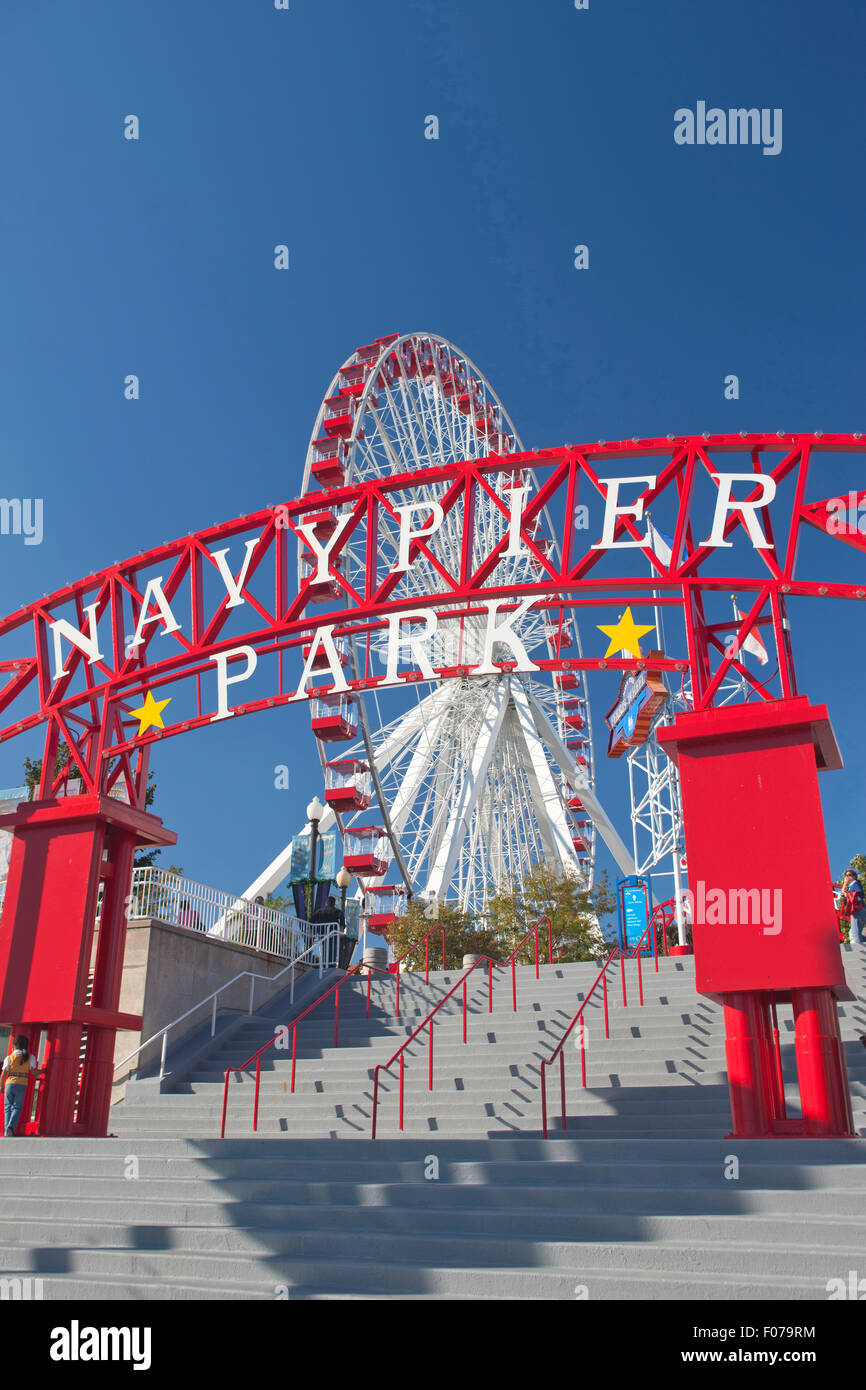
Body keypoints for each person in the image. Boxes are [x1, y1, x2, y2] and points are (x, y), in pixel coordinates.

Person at [1, 1036, 35, 1137]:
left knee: (7, 1108)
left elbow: (3, 1074)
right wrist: (43, 1071)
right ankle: (11, 1126)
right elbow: (33, 1072)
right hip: (22, 1083)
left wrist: (1, 1086)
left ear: (14, 1046)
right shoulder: (30, 1057)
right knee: (17, 1107)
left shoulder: (9, 1058)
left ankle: (7, 1131)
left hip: (9, 1083)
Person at [841, 869, 865, 944]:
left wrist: (847, 892)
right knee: (854, 932)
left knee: (854, 933)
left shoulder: (855, 884)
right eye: (846, 875)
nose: (847, 877)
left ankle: (858, 951)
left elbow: (857, 895)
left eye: (849, 875)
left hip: (857, 909)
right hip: (861, 909)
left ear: (854, 877)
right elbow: (843, 893)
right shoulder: (852, 886)